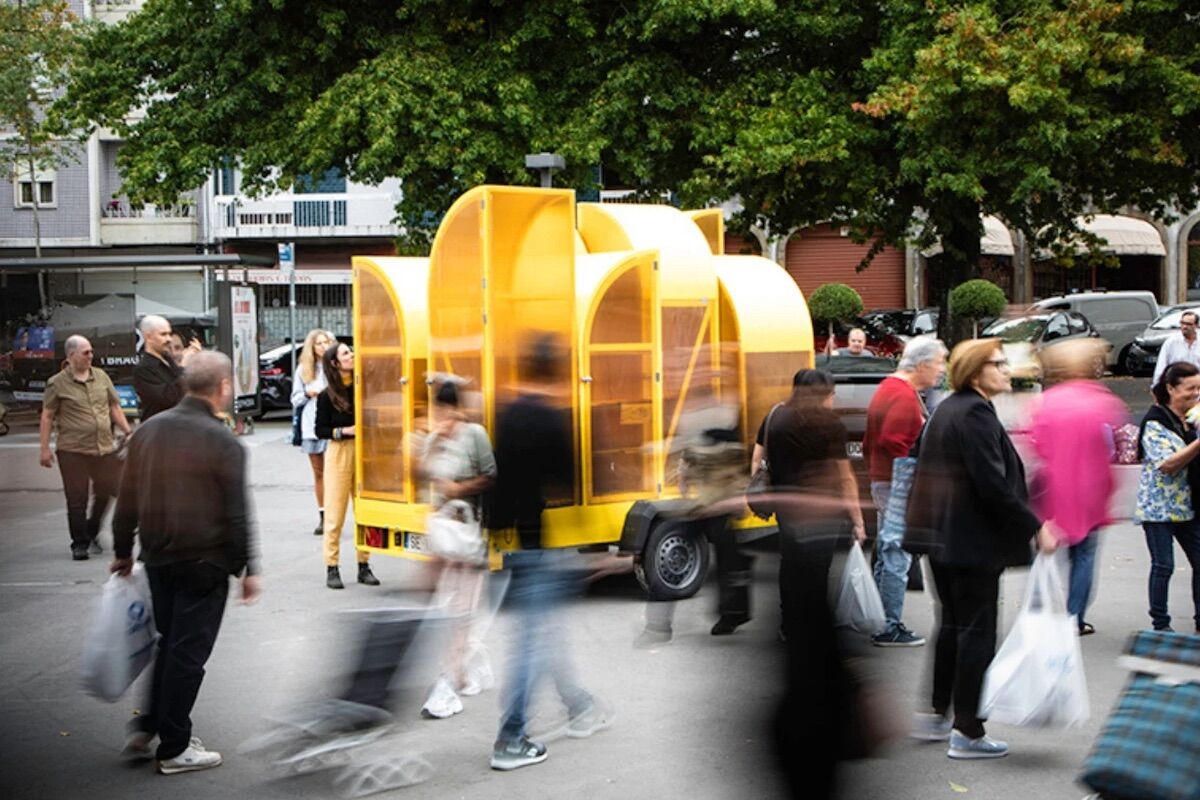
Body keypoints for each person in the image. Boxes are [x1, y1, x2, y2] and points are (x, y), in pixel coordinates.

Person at [111, 350, 261, 775]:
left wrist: (123, 551)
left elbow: (127, 498)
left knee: (170, 644)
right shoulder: (223, 440)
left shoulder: (148, 431)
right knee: (187, 654)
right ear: (223, 387)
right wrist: (249, 567)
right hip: (205, 561)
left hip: (158, 557)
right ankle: (174, 746)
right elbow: (236, 510)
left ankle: (147, 728)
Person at [906, 338, 1057, 759]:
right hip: (971, 543)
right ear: (975, 372)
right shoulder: (973, 413)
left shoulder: (948, 409)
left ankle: (937, 715)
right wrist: (1036, 526)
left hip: (944, 540)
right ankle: (967, 731)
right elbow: (992, 485)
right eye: (998, 363)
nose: (1007, 369)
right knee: (976, 634)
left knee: (953, 628)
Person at [489, 336, 609, 771]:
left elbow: (500, 476)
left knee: (544, 631)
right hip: (540, 541)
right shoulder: (550, 418)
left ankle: (578, 706)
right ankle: (510, 738)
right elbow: (569, 478)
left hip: (516, 543)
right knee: (531, 643)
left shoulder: (509, 412)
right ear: (556, 370)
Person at [767, 368, 866, 799]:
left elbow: (766, 462)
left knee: (791, 571)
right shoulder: (827, 425)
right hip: (819, 514)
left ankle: (790, 628)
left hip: (788, 510)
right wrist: (858, 518)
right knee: (816, 579)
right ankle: (811, 647)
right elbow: (843, 475)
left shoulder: (777, 418)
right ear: (823, 393)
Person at [1031, 339, 1128, 635]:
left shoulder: (1047, 401)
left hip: (1052, 490)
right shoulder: (1103, 402)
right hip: (1090, 491)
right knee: (1084, 556)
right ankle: (1075, 616)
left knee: (1046, 554)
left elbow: (1036, 445)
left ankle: (1040, 612)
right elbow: (1113, 448)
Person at [418, 380, 498, 718]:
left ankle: (447, 685)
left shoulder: (475, 434)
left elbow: (491, 474)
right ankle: (464, 673)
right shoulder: (435, 438)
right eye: (438, 410)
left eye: (446, 410)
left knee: (461, 611)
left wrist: (458, 488)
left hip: (466, 532)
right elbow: (422, 475)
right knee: (446, 609)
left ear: (456, 408)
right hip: (441, 533)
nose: (442, 416)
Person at [863, 335, 946, 646]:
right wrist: (912, 478)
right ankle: (889, 625)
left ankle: (880, 618)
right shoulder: (902, 395)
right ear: (922, 364)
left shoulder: (889, 388)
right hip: (896, 482)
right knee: (896, 554)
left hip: (883, 479)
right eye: (938, 363)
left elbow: (876, 441)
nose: (941, 370)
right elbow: (891, 441)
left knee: (888, 553)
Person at [39, 335, 132, 560]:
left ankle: (92, 529)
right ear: (71, 356)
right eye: (86, 352)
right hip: (72, 450)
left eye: (91, 352)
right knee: (77, 498)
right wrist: (44, 448)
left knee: (109, 490)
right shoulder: (57, 383)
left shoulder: (100, 377)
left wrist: (128, 432)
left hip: (103, 448)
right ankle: (79, 543)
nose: (91, 356)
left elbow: (114, 407)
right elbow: (48, 416)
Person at [1134, 361, 1200, 633]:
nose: (1196, 393)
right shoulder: (1155, 422)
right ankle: (1160, 624)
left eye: (1199, 388)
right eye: (1190, 388)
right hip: (1158, 508)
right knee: (1164, 566)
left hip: (1188, 505)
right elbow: (1167, 464)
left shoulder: (1192, 419)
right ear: (1171, 388)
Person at [315, 341, 379, 589]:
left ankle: (364, 565)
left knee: (365, 510)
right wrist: (344, 431)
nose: (351, 355)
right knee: (335, 514)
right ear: (335, 363)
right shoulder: (326, 395)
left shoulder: (363, 388)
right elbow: (320, 430)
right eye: (345, 353)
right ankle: (332, 567)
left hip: (365, 452)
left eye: (351, 352)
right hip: (340, 452)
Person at [291, 329, 335, 536]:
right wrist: (308, 393)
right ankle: (323, 515)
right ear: (312, 347)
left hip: (333, 424)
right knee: (319, 473)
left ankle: (338, 513)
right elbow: (295, 398)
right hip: (311, 424)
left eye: (326, 342)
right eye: (319, 343)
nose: (323, 346)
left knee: (337, 472)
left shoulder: (336, 366)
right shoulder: (304, 369)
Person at [133, 315, 200, 421]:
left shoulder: (168, 361)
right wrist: (183, 365)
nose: (169, 339)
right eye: (163, 334)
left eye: (169, 334)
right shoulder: (144, 368)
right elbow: (169, 398)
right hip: (160, 429)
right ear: (148, 337)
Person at [1152, 311, 1200, 384]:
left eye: (1188, 324)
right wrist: (1156, 386)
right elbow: (1161, 367)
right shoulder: (1171, 343)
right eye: (1182, 323)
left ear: (1196, 326)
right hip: (1178, 386)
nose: (1184, 327)